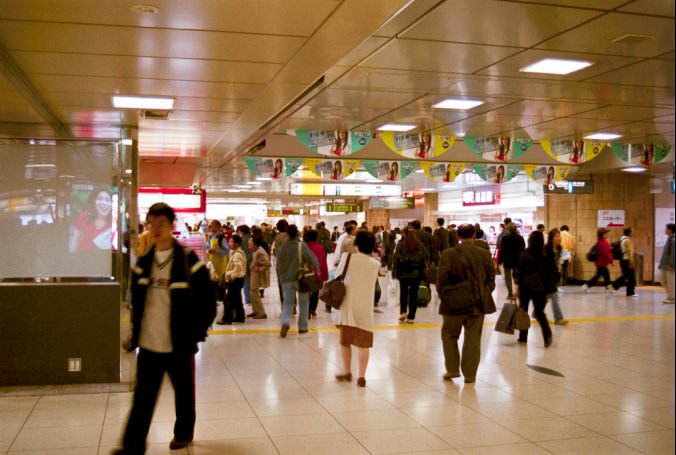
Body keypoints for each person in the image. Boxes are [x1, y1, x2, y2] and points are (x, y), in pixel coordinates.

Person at [113, 203, 215, 455]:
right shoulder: (143, 262)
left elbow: (208, 299)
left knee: (183, 393)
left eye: (161, 224)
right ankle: (132, 447)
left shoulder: (187, 260)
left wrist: (197, 332)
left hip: (179, 344)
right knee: (142, 400)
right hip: (148, 344)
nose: (156, 229)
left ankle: (183, 433)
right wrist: (133, 334)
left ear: (172, 226)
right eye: (152, 224)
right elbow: (136, 301)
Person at [436, 224, 495, 384]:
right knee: (473, 338)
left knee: (449, 335)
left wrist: (446, 295)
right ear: (474, 235)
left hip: (454, 303)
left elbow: (440, 280)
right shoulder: (484, 253)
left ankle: (452, 369)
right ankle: (470, 375)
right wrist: (483, 292)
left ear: (457, 236)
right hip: (477, 303)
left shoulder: (449, 254)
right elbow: (491, 278)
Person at [334, 230, 381, 387]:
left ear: (357, 245)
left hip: (348, 306)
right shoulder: (375, 264)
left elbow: (337, 276)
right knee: (364, 344)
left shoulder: (348, 258)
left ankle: (347, 371)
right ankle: (361, 376)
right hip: (365, 308)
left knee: (345, 341)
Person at [514, 230, 557, 347]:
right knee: (539, 312)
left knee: (524, 310)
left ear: (530, 240)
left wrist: (516, 287)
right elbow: (552, 271)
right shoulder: (546, 254)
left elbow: (520, 272)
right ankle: (547, 333)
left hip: (525, 286)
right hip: (541, 287)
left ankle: (523, 337)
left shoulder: (524, 253)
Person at [276, 224, 319, 337]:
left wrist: (281, 278)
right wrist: (317, 270)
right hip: (301, 279)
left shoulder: (282, 248)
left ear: (287, 234)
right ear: (298, 233)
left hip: (286, 279)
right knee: (304, 303)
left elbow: (278, 264)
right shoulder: (302, 246)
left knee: (288, 303)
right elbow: (313, 259)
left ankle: (285, 322)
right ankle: (303, 327)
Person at [392, 227, 427, 324]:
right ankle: (411, 316)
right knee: (413, 294)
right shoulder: (419, 245)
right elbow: (425, 256)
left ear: (404, 234)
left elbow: (395, 259)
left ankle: (403, 312)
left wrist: (395, 272)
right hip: (416, 274)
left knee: (403, 293)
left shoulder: (401, 245)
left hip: (403, 273)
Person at [71, 186, 113, 251]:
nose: (104, 203)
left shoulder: (115, 223)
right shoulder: (84, 216)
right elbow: (76, 241)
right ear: (94, 201)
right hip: (83, 258)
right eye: (100, 199)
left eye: (107, 200)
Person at [216, 234, 247, 324]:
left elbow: (239, 267)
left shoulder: (237, 254)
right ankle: (240, 317)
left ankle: (227, 319)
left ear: (237, 244)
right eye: (229, 241)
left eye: (231, 242)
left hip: (236, 279)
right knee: (237, 299)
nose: (229, 243)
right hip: (239, 279)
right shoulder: (236, 252)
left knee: (229, 300)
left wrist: (232, 276)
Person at [304, 229, 329, 318]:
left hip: (306, 274)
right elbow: (323, 263)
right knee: (315, 292)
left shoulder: (304, 247)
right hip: (318, 274)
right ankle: (312, 310)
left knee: (306, 292)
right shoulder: (320, 248)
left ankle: (307, 310)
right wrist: (325, 275)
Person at [546, 228, 568, 325]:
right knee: (553, 296)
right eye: (556, 236)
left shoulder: (559, 249)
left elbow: (563, 257)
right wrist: (555, 262)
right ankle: (558, 318)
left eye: (559, 236)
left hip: (554, 275)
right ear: (551, 238)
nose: (559, 238)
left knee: (547, 297)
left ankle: (536, 313)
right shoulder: (546, 249)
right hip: (546, 276)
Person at [498, 222, 525, 301]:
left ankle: (510, 294)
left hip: (507, 260)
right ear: (516, 228)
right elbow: (523, 249)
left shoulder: (505, 238)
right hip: (517, 260)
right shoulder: (520, 238)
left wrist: (500, 260)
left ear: (509, 229)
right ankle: (517, 292)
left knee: (508, 278)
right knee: (517, 276)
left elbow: (502, 250)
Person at [581, 228, 613, 294]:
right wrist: (611, 261)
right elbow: (606, 253)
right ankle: (586, 286)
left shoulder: (599, 241)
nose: (607, 234)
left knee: (604, 275)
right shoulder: (604, 242)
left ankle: (608, 288)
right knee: (601, 276)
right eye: (606, 233)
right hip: (602, 262)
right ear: (603, 235)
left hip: (599, 262)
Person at [609, 228, 637, 297]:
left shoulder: (621, 239)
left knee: (626, 276)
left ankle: (614, 287)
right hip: (627, 260)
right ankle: (630, 292)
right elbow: (629, 252)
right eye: (632, 232)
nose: (633, 233)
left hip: (622, 260)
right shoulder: (627, 240)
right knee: (631, 277)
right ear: (629, 233)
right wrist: (631, 261)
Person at [247, 236, 270, 319]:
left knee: (254, 293)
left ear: (255, 244)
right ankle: (255, 310)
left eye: (250, 241)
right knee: (252, 292)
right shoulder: (256, 251)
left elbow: (267, 264)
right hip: (254, 274)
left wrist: (259, 268)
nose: (249, 243)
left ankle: (261, 312)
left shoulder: (260, 252)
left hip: (257, 275)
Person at [206, 220, 228, 303]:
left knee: (220, 286)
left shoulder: (222, 238)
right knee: (213, 285)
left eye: (212, 225)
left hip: (221, 265)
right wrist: (207, 249)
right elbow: (207, 247)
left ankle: (223, 304)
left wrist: (216, 251)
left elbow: (227, 251)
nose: (210, 227)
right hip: (212, 264)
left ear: (218, 227)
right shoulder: (210, 237)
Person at [659, 223, 675, 304]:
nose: (665, 230)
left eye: (666, 229)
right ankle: (670, 296)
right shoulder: (669, 239)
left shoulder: (673, 240)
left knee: (670, 282)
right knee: (662, 280)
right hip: (665, 265)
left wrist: (671, 265)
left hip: (670, 266)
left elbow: (673, 254)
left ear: (670, 230)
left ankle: (672, 298)